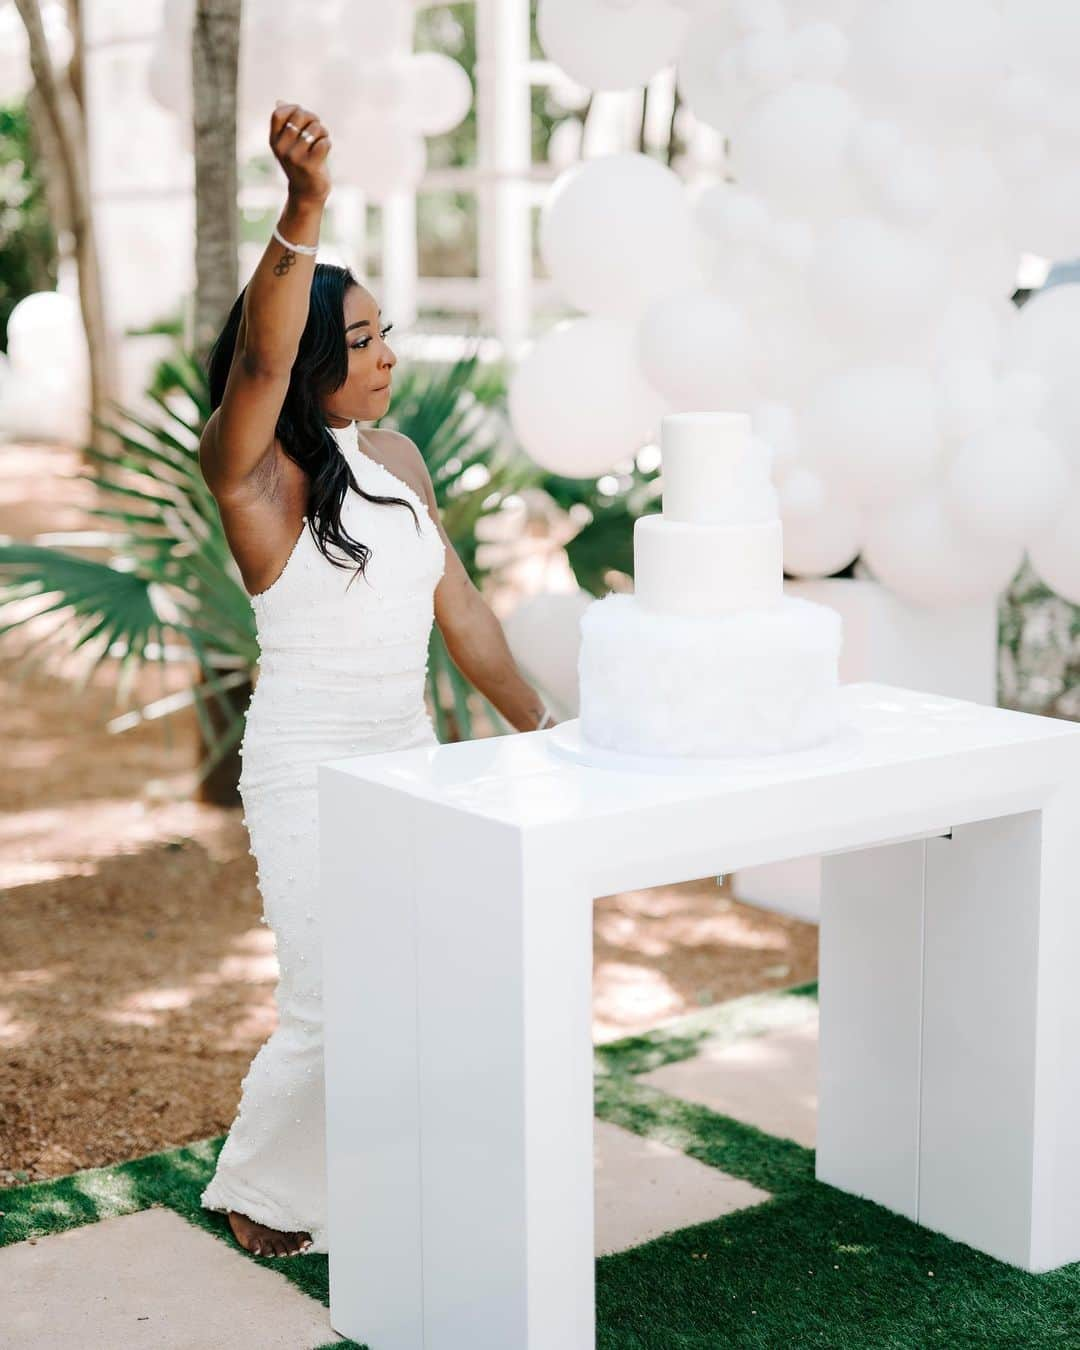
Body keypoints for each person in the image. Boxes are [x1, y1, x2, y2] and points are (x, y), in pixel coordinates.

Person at [197, 101, 557, 1258]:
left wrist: (549, 730)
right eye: (364, 341)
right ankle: (256, 1185)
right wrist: (304, 207)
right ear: (309, 362)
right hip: (307, 771)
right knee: (328, 994)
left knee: (423, 979)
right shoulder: (250, 477)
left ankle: (398, 1163)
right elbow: (256, 354)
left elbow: (464, 618)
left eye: (386, 334)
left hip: (414, 763)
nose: (391, 356)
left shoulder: (396, 461)